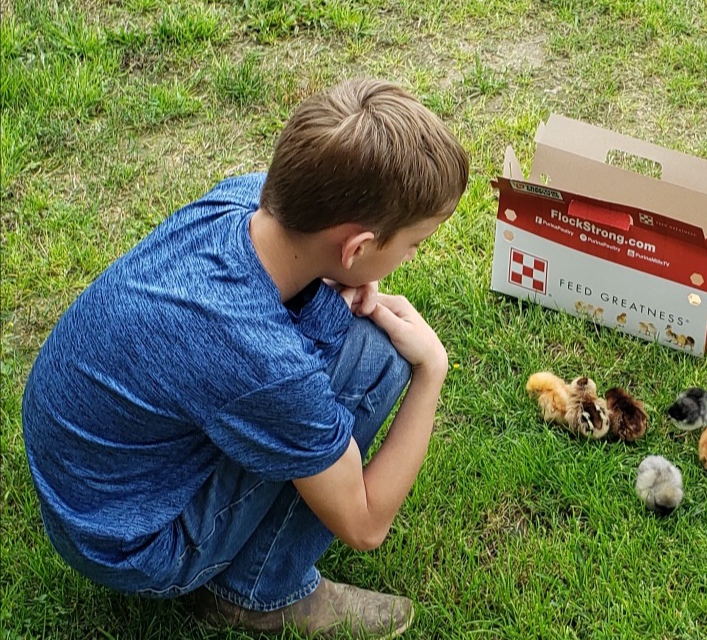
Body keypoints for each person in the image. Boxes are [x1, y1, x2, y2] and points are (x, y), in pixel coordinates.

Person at [21, 78, 470, 637]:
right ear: (356, 247)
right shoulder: (260, 359)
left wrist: (333, 290)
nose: (413, 254)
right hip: (130, 543)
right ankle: (260, 591)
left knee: (337, 328)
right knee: (376, 356)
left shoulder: (244, 198)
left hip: (83, 485)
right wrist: (432, 371)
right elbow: (365, 522)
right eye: (414, 244)